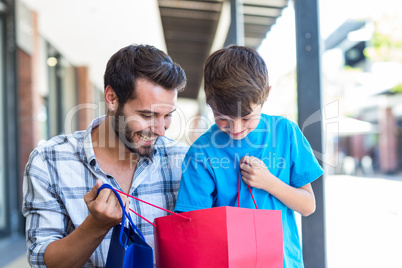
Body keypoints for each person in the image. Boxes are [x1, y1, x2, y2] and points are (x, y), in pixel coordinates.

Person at [22, 44, 188, 268]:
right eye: (147, 115)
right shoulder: (49, 161)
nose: (160, 129)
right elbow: (42, 262)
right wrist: (95, 226)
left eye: (167, 115)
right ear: (111, 98)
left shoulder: (183, 161)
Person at [174, 45, 324, 267]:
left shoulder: (285, 132)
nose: (235, 129)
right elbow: (194, 227)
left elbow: (308, 205)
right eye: (222, 117)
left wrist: (269, 182)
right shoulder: (201, 152)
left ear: (266, 96)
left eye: (246, 118)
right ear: (210, 103)